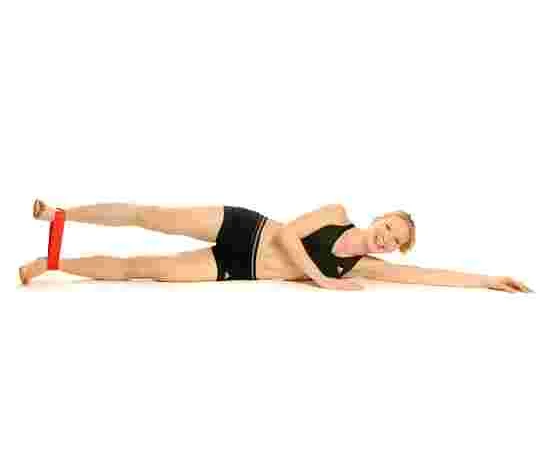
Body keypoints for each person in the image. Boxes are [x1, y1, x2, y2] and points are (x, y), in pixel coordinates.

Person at [18, 199, 532, 293]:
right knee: (150, 216)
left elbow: (427, 276)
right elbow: (288, 235)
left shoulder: (361, 269)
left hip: (239, 267)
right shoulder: (335, 214)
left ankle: (50, 263)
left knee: (144, 269)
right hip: (248, 228)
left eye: (394, 241)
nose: (387, 237)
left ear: (390, 249)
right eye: (389, 226)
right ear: (379, 217)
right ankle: (62, 212)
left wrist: (489, 280)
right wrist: (320, 280)